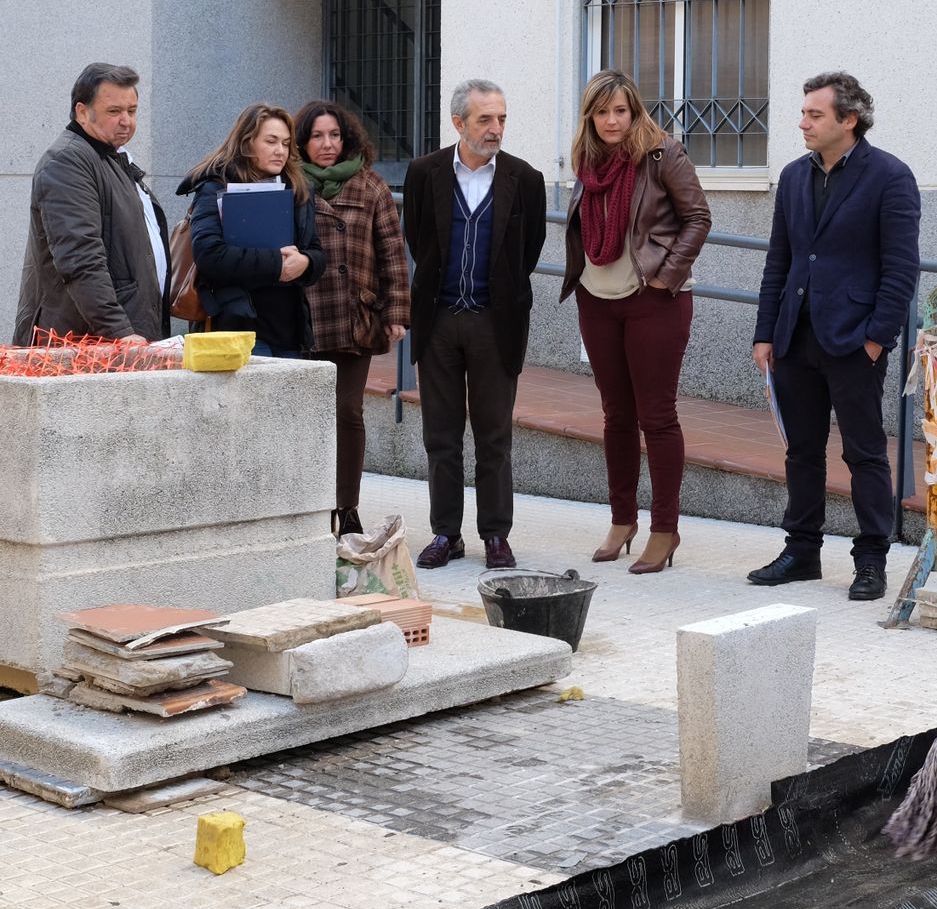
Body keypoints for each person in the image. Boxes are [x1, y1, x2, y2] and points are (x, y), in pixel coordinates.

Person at [748, 72, 920, 601]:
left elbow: (901, 268)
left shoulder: (890, 176)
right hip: (794, 336)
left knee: (865, 453)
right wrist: (764, 332)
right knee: (801, 450)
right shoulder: (795, 177)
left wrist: (878, 338)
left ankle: (871, 558)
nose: (802, 123)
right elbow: (781, 259)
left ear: (849, 120)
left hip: (853, 341)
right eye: (803, 113)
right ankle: (801, 551)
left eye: (814, 115)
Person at [561, 70, 711, 574]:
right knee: (615, 415)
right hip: (597, 297)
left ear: (634, 110)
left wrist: (668, 278)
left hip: (654, 298)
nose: (611, 121)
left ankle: (664, 529)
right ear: (590, 116)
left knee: (657, 416)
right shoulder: (587, 162)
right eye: (601, 112)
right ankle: (622, 519)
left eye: (620, 110)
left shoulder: (662, 154)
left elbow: (698, 217)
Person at [403, 79, 547, 571]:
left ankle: (495, 535)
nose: (496, 129)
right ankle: (445, 533)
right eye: (485, 119)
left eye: (502, 118)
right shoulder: (425, 173)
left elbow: (527, 253)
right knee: (440, 435)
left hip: (494, 322)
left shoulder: (524, 179)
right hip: (439, 320)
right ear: (458, 122)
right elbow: (419, 240)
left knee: (494, 436)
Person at [295, 100, 412, 539]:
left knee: (348, 410)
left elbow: (393, 255)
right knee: (305, 413)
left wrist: (397, 312)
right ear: (303, 142)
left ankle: (346, 507)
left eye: (334, 136)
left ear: (347, 139)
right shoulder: (289, 185)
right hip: (303, 316)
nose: (327, 145)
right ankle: (309, 506)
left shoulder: (370, 186)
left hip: (353, 316)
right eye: (317, 136)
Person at [14, 63, 169, 345]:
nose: (126, 121)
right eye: (114, 111)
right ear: (82, 112)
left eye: (132, 111)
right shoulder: (68, 161)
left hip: (118, 343)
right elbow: (80, 258)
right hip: (83, 348)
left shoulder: (111, 158)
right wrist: (120, 331)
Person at [178, 103, 325, 357]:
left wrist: (306, 262)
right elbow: (208, 253)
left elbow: (317, 251)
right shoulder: (215, 186)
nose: (280, 151)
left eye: (286, 143)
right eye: (271, 141)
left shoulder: (299, 189)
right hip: (236, 327)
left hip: (290, 331)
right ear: (247, 143)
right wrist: (277, 264)